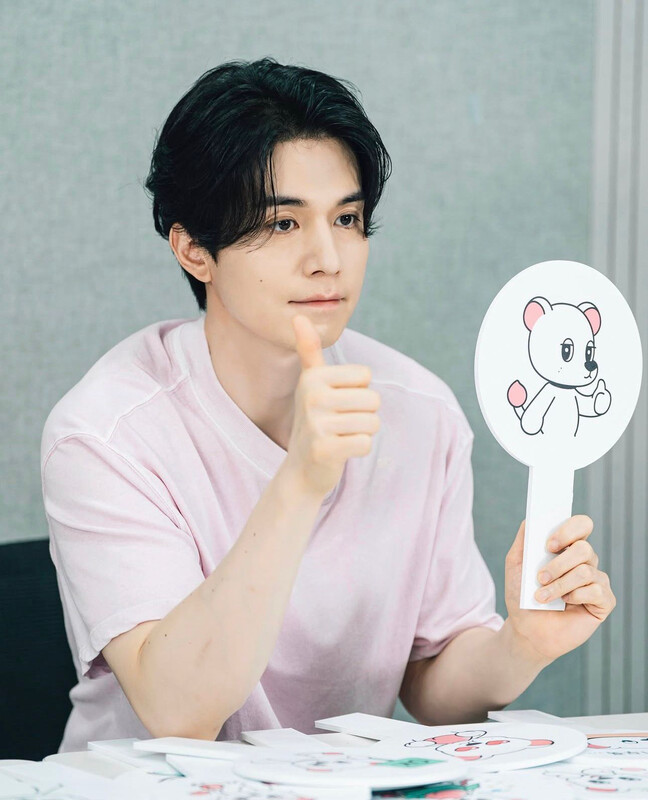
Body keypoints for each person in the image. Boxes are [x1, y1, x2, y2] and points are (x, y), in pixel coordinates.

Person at [41, 57, 615, 753]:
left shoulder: (419, 411)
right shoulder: (105, 434)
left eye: (347, 218)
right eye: (283, 224)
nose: (328, 258)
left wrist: (519, 645)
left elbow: (432, 686)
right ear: (194, 250)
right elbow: (178, 711)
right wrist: (301, 480)